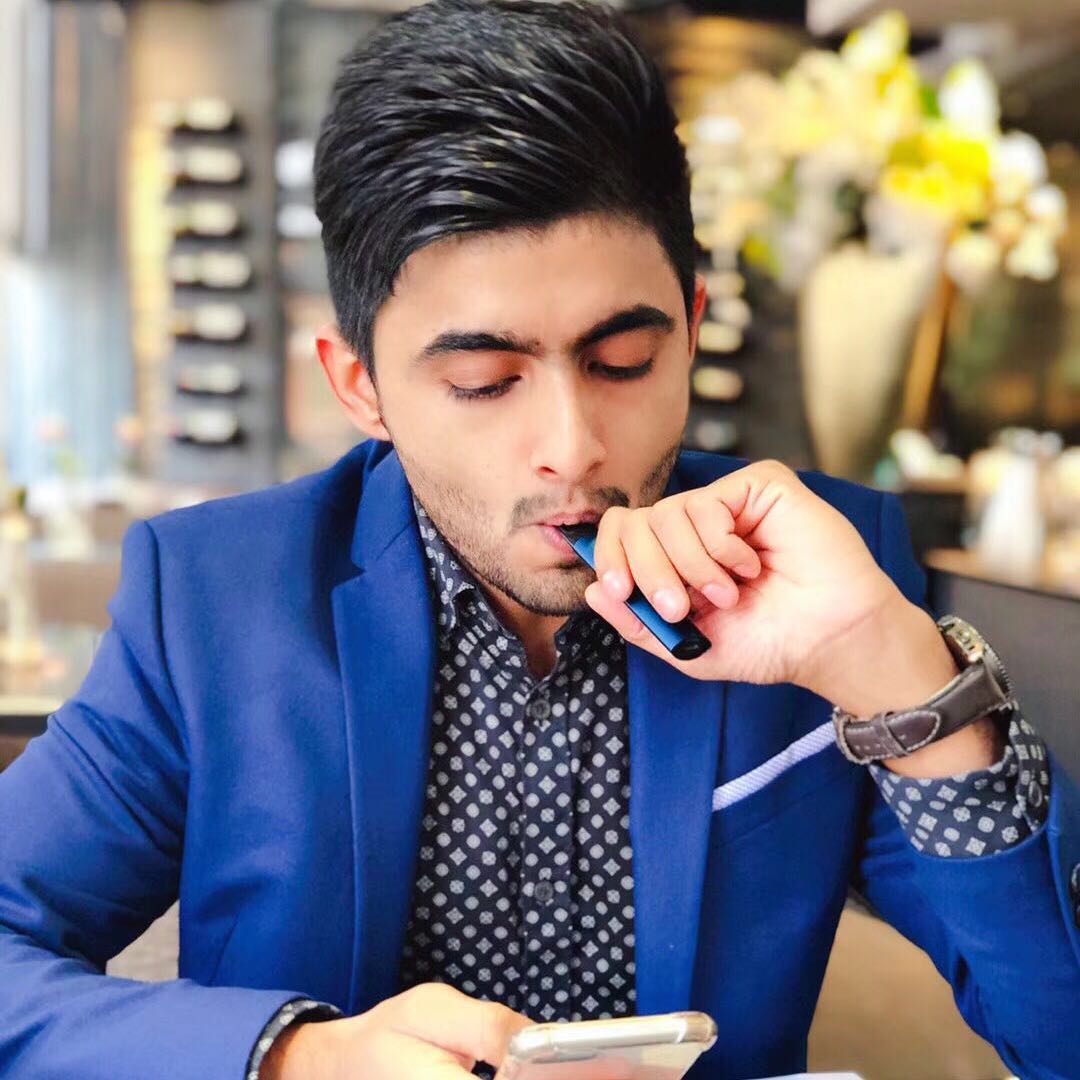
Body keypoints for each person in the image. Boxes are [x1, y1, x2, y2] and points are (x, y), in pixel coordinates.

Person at [2, 2, 1078, 1078]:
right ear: (360, 385)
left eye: (623, 363)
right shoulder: (212, 601)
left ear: (692, 329)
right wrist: (294, 1060)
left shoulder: (814, 562)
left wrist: (898, 675)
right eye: (483, 381)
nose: (572, 447)